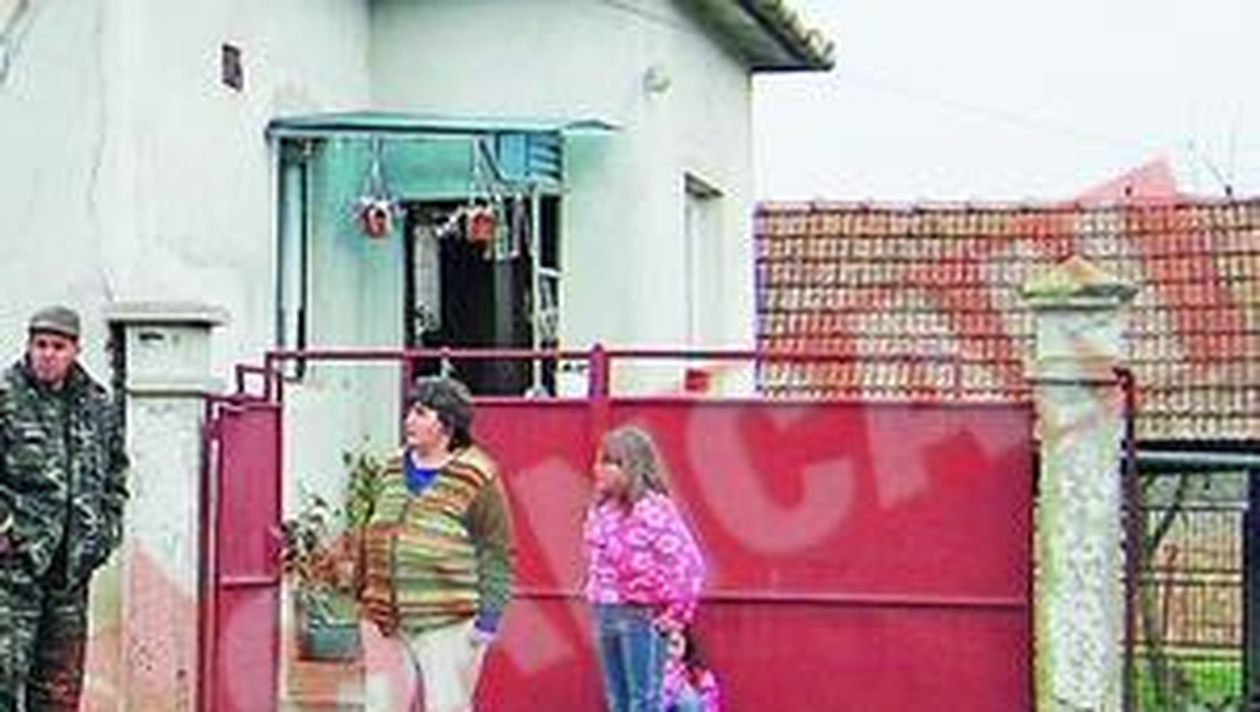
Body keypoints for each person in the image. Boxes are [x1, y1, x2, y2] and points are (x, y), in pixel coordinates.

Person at [351, 375, 514, 712]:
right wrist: (361, 594)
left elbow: (495, 549)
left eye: (421, 413)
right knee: (381, 706)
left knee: (447, 706)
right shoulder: (391, 469)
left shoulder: (476, 475)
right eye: (410, 411)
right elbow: (372, 530)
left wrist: (488, 619)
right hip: (383, 617)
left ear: (447, 425)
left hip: (448, 619)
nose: (409, 420)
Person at [0, 305, 129, 710]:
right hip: (13, 570)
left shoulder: (97, 404)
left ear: (75, 350)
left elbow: (116, 474)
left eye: (58, 346)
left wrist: (105, 534)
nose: (48, 354)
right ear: (29, 346)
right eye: (40, 345)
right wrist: (4, 531)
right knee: (5, 679)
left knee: (59, 690)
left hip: (71, 572)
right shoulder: (6, 397)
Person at [583, 424, 705, 712]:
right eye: (599, 461)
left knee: (644, 700)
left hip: (641, 613)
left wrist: (677, 614)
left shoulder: (653, 509)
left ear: (632, 467)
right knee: (617, 699)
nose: (599, 469)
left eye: (610, 462)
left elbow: (689, 563)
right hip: (605, 609)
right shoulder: (601, 508)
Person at [663, 627, 721, 712]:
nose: (669, 650)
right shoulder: (663, 674)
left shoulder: (703, 677)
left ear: (687, 646)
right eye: (665, 644)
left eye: (675, 644)